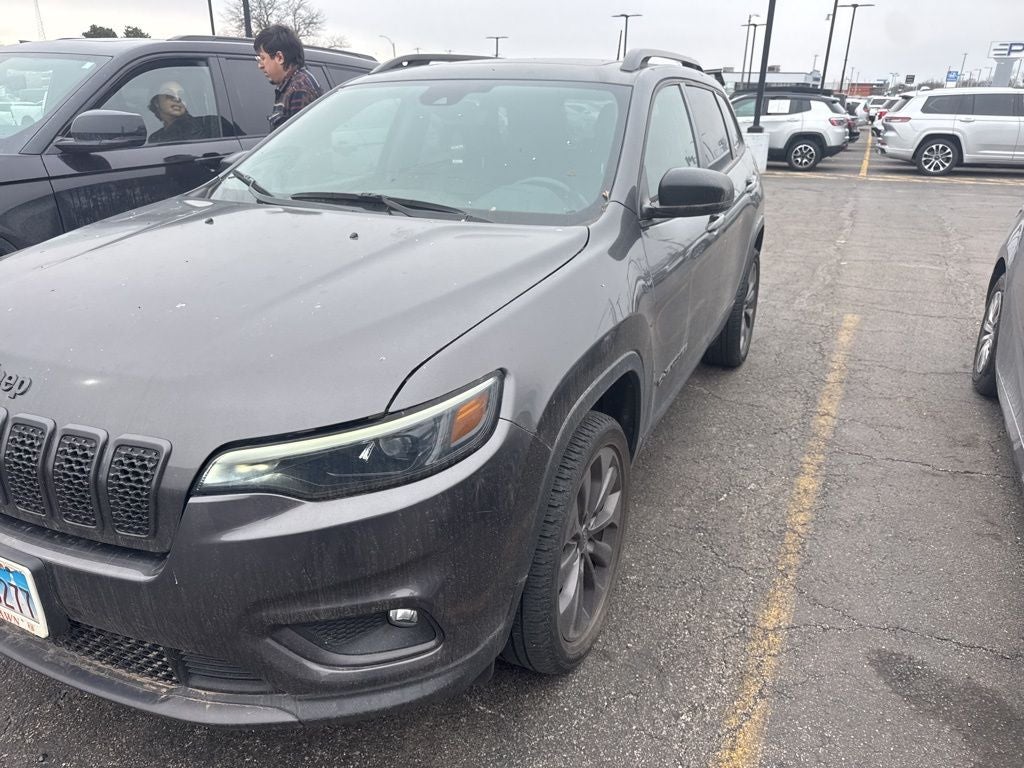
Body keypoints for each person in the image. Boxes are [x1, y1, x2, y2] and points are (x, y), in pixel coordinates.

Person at [254, 24, 324, 131]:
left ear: (279, 57)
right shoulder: (291, 85)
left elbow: (298, 141)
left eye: (262, 58)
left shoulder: (300, 89)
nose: (260, 65)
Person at [147, 81, 220, 143]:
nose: (177, 98)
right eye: (169, 94)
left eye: (181, 95)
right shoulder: (154, 138)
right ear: (156, 102)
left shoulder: (207, 128)